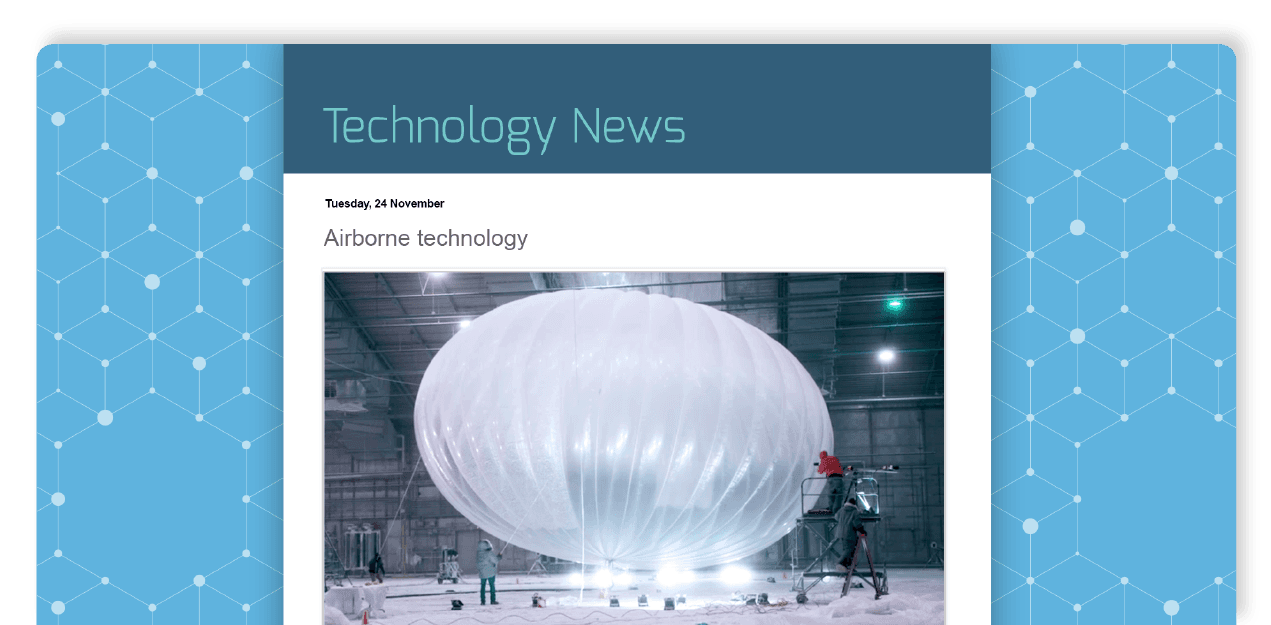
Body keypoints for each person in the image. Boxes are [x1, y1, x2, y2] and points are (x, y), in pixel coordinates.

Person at [833, 497, 867, 570]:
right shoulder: (855, 512)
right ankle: (840, 563)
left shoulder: (841, 510)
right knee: (849, 549)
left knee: (846, 549)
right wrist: (862, 531)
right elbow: (857, 523)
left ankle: (847, 565)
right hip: (849, 534)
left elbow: (836, 517)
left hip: (840, 534)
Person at [476, 539, 502, 605]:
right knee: (492, 586)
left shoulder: (479, 554)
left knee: (482, 587)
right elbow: (495, 560)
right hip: (490, 572)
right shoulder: (489, 553)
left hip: (482, 573)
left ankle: (482, 601)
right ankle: (492, 600)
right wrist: (499, 556)